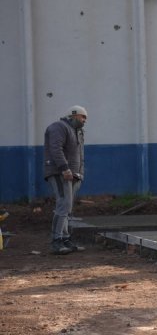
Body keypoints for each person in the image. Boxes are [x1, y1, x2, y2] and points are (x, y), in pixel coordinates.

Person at [44, 105, 88, 254]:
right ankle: (56, 240)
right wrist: (64, 168)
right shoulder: (59, 127)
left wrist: (79, 174)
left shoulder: (78, 131)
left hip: (73, 175)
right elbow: (56, 148)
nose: (84, 120)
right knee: (63, 205)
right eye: (83, 117)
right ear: (74, 116)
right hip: (60, 173)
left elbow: (79, 154)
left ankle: (65, 239)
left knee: (67, 208)